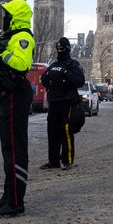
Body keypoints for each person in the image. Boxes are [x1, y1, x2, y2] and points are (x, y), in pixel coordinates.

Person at [0, 0, 35, 218]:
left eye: (7, 15)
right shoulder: (10, 37)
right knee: (8, 148)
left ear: (15, 17)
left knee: (15, 148)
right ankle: (8, 195)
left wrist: (3, 52)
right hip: (7, 95)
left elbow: (21, 64)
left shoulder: (22, 37)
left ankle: (16, 202)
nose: (4, 18)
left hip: (17, 93)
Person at [39, 37, 85, 171]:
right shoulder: (53, 66)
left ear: (67, 49)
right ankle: (53, 161)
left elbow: (80, 81)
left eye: (62, 48)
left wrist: (66, 73)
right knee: (52, 132)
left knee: (66, 131)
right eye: (58, 48)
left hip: (67, 102)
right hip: (54, 103)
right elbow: (44, 80)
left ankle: (67, 161)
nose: (59, 51)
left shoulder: (73, 64)